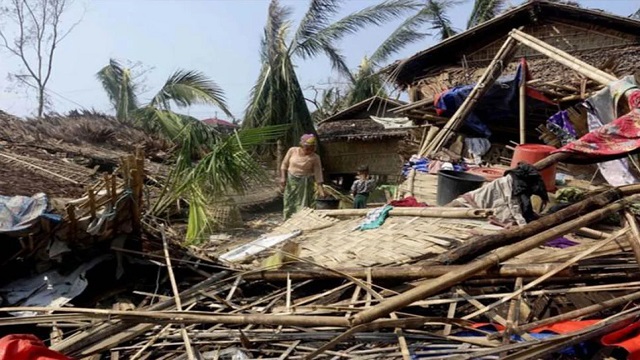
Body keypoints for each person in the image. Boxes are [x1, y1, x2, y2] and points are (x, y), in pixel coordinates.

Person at [280, 134, 326, 220]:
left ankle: (302, 220)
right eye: (307, 148)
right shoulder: (292, 151)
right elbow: (284, 164)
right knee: (289, 201)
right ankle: (288, 220)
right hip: (292, 181)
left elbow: (318, 174)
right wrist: (283, 177)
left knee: (304, 203)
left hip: (306, 183)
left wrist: (321, 191)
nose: (309, 150)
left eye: (312, 148)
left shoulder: (315, 157)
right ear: (302, 145)